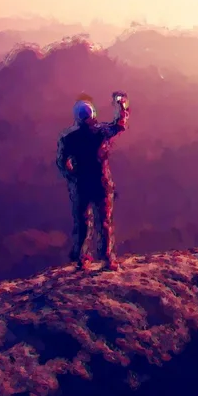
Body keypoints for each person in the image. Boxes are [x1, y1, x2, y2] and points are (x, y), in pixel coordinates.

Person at [56, 91, 130, 271]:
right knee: (104, 221)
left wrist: (72, 175)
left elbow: (62, 161)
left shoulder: (69, 138)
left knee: (83, 223)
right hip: (101, 182)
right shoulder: (101, 132)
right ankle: (107, 259)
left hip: (82, 184)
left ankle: (83, 259)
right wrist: (121, 106)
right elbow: (120, 125)